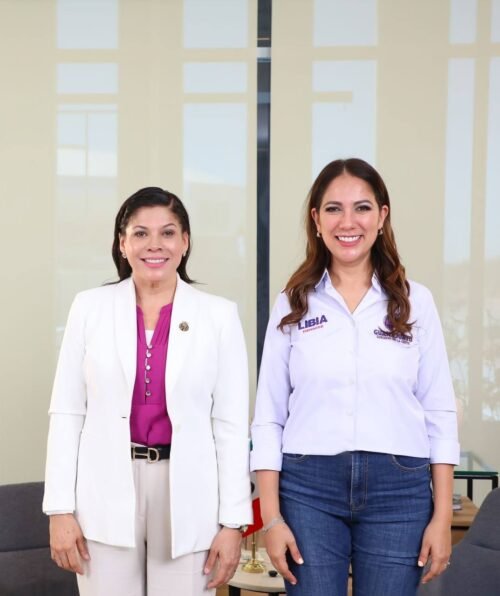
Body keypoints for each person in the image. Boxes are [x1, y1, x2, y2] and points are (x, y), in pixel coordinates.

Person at [250, 158, 459, 596]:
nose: (348, 222)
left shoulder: (415, 302)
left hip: (399, 492)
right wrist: (271, 518)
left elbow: (439, 413)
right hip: (308, 490)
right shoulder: (293, 303)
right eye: (334, 209)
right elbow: (268, 416)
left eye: (362, 208)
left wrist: (441, 518)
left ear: (382, 217)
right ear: (316, 220)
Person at [43, 187, 252, 596]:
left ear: (185, 242)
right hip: (104, 488)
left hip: (188, 492)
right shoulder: (89, 308)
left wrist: (233, 522)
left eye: (168, 233)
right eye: (141, 233)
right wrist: (59, 509)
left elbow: (229, 424)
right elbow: (67, 412)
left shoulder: (218, 316)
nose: (155, 245)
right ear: (122, 244)